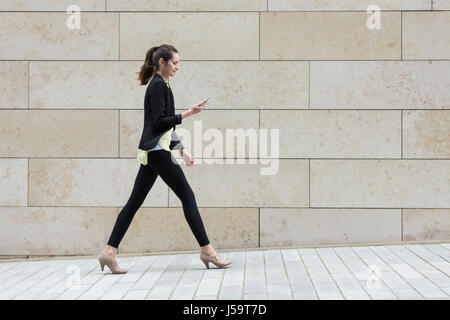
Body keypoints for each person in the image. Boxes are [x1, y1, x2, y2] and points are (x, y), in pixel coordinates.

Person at [98, 44, 232, 273]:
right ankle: (207, 251)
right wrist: (189, 113)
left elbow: (162, 126)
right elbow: (160, 123)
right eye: (175, 63)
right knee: (187, 196)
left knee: (134, 202)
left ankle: (108, 252)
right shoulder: (158, 86)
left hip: (155, 151)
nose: (178, 67)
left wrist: (182, 149)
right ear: (162, 62)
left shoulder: (163, 86)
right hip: (157, 153)